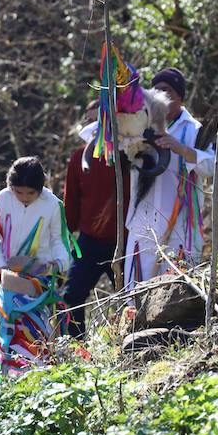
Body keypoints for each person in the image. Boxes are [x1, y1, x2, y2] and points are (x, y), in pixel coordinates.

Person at [121, 67, 215, 286]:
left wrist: (181, 148)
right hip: (143, 221)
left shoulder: (195, 130)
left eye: (167, 90)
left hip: (180, 225)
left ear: (180, 96)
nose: (160, 96)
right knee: (137, 290)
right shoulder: (138, 126)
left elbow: (212, 167)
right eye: (156, 91)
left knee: (176, 291)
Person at [61, 103, 129, 338]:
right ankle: (77, 347)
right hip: (88, 242)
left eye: (99, 121)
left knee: (129, 298)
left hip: (123, 243)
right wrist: (64, 237)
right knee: (71, 296)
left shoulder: (130, 156)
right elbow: (71, 203)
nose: (95, 128)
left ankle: (127, 345)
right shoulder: (80, 158)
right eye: (90, 121)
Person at [0, 156, 71, 278]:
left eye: (30, 193)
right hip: (5, 271)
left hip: (41, 275)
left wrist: (60, 263)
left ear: (40, 189)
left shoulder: (53, 204)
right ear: (11, 187)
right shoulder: (3, 199)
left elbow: (58, 239)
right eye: (19, 192)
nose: (24, 197)